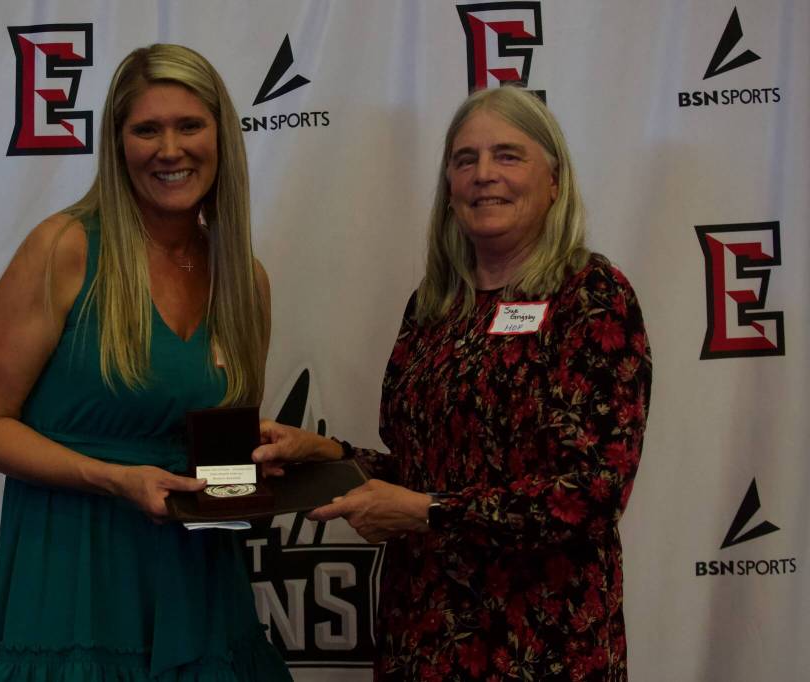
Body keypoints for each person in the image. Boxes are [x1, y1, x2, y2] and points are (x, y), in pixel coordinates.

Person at [254, 85, 651, 681]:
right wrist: (326, 454)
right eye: (465, 160)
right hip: (422, 637)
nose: (483, 175)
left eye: (508, 156)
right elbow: (424, 474)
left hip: (539, 646)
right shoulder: (436, 307)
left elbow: (591, 494)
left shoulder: (591, 297)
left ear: (555, 180)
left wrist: (426, 513)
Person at [0, 44, 292, 681]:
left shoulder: (246, 281)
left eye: (189, 125)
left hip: (197, 580)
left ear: (221, 136)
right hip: (72, 573)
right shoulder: (65, 248)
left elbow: (218, 445)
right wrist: (112, 478)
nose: (170, 149)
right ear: (117, 145)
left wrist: (271, 457)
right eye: (147, 129)